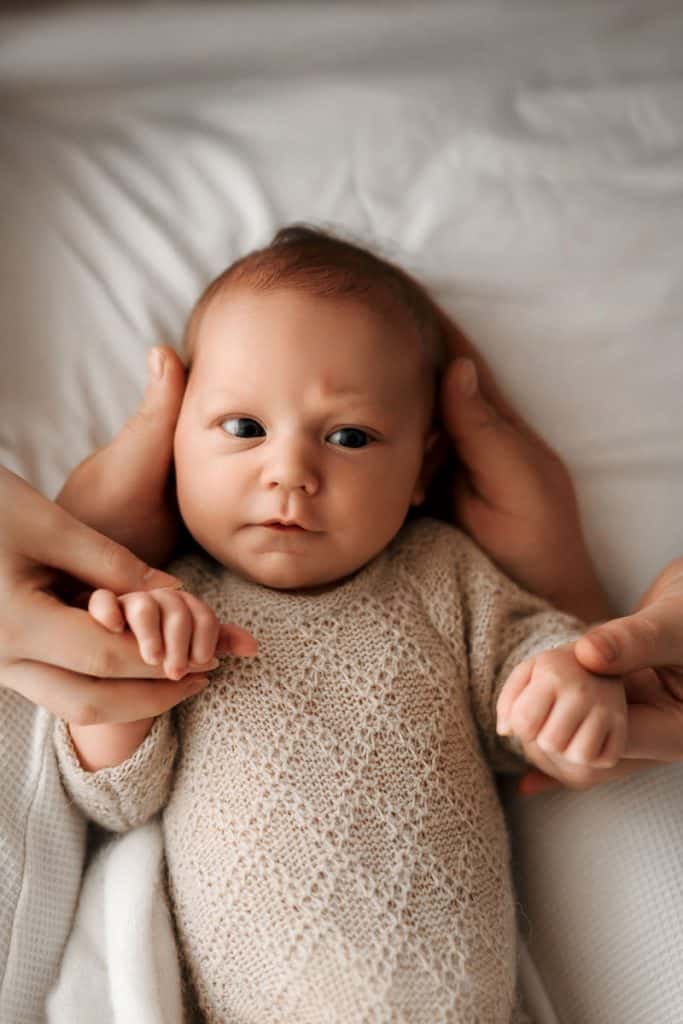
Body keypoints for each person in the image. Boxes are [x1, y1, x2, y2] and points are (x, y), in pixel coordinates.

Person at [1, 239, 681, 1021]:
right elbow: (118, 802)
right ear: (172, 443)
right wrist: (130, 678)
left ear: (424, 467)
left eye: (349, 437)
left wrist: (566, 686)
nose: (290, 471)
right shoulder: (172, 600)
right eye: (244, 426)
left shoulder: (443, 573)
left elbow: (525, 685)